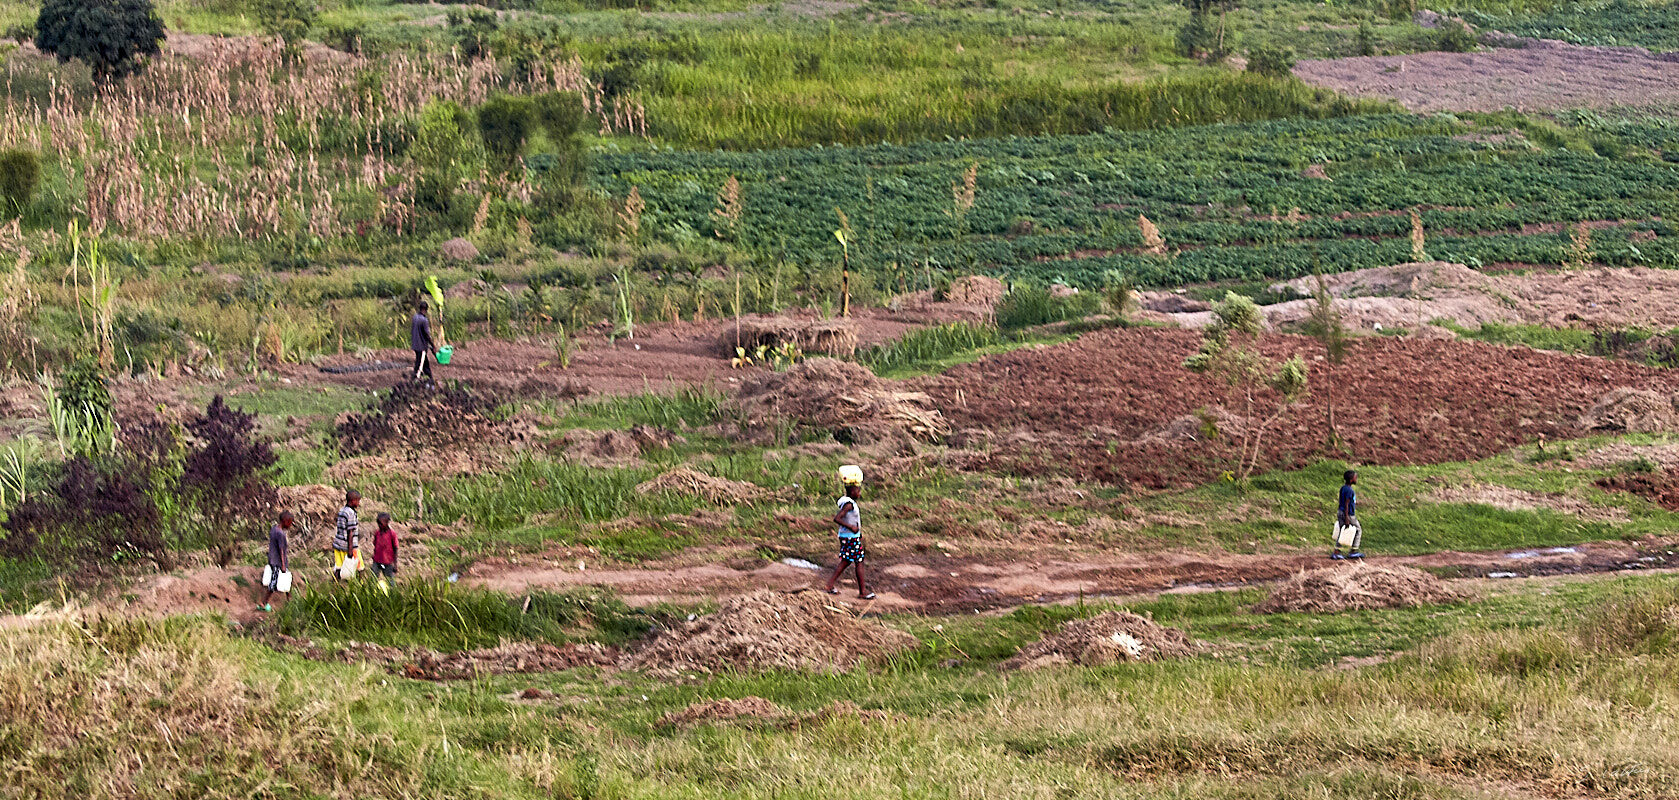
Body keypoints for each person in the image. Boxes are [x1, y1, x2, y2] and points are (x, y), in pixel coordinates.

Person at [824, 465, 875, 600]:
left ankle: (830, 585)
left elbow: (851, 519)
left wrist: (857, 533)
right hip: (850, 537)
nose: (859, 493)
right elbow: (837, 518)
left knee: (847, 561)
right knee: (858, 561)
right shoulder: (849, 504)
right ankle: (862, 592)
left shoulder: (847, 502)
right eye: (858, 490)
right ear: (852, 491)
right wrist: (852, 528)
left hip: (849, 537)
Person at [260, 510, 292, 612]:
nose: (290, 525)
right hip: (278, 562)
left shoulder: (274, 529)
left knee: (286, 581)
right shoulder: (280, 534)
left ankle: (290, 601)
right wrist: (283, 564)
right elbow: (281, 549)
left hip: (273, 559)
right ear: (285, 521)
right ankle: (264, 603)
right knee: (273, 583)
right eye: (290, 522)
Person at [1332, 469, 1364, 560]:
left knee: (1342, 531)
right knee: (1358, 529)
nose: (1356, 479)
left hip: (1340, 512)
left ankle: (1336, 551)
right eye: (1355, 478)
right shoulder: (1350, 490)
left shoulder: (1343, 488)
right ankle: (1354, 551)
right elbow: (1347, 504)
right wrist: (1347, 517)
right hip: (1348, 514)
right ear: (1351, 480)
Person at [334, 489, 361, 580]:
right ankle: (360, 585)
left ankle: (336, 584)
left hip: (338, 544)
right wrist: (350, 550)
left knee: (339, 567)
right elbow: (350, 533)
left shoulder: (342, 511)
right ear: (353, 501)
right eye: (358, 501)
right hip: (349, 546)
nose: (359, 503)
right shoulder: (351, 514)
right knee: (359, 567)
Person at [411, 301, 438, 384]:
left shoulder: (415, 317)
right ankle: (415, 378)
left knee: (424, 362)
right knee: (420, 363)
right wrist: (433, 345)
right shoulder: (424, 320)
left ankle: (430, 378)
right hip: (421, 346)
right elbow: (427, 334)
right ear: (426, 309)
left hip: (415, 344)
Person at [371, 512, 398, 585]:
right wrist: (374, 555)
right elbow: (375, 545)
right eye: (378, 523)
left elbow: (395, 548)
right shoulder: (377, 533)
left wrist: (395, 564)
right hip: (377, 561)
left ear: (387, 523)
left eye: (381, 524)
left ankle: (392, 591)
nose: (379, 525)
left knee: (390, 580)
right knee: (373, 578)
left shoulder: (392, 534)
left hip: (388, 562)